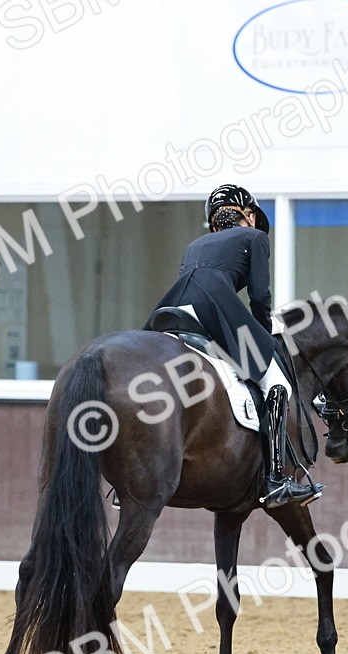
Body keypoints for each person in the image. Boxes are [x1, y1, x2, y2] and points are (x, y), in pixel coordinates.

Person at [146, 184, 322, 508]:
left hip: (174, 311)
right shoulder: (255, 238)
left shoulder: (194, 245)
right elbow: (259, 296)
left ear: (214, 223)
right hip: (213, 309)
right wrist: (266, 339)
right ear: (250, 216)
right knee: (276, 380)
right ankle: (275, 479)